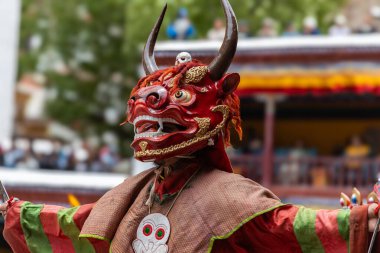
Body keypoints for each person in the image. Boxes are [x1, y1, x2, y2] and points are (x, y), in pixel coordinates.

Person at [2, 1, 380, 252]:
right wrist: (13, 214)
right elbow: (73, 225)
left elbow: (292, 227)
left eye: (178, 99)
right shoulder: (135, 192)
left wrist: (361, 221)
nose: (143, 110)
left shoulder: (233, 200)